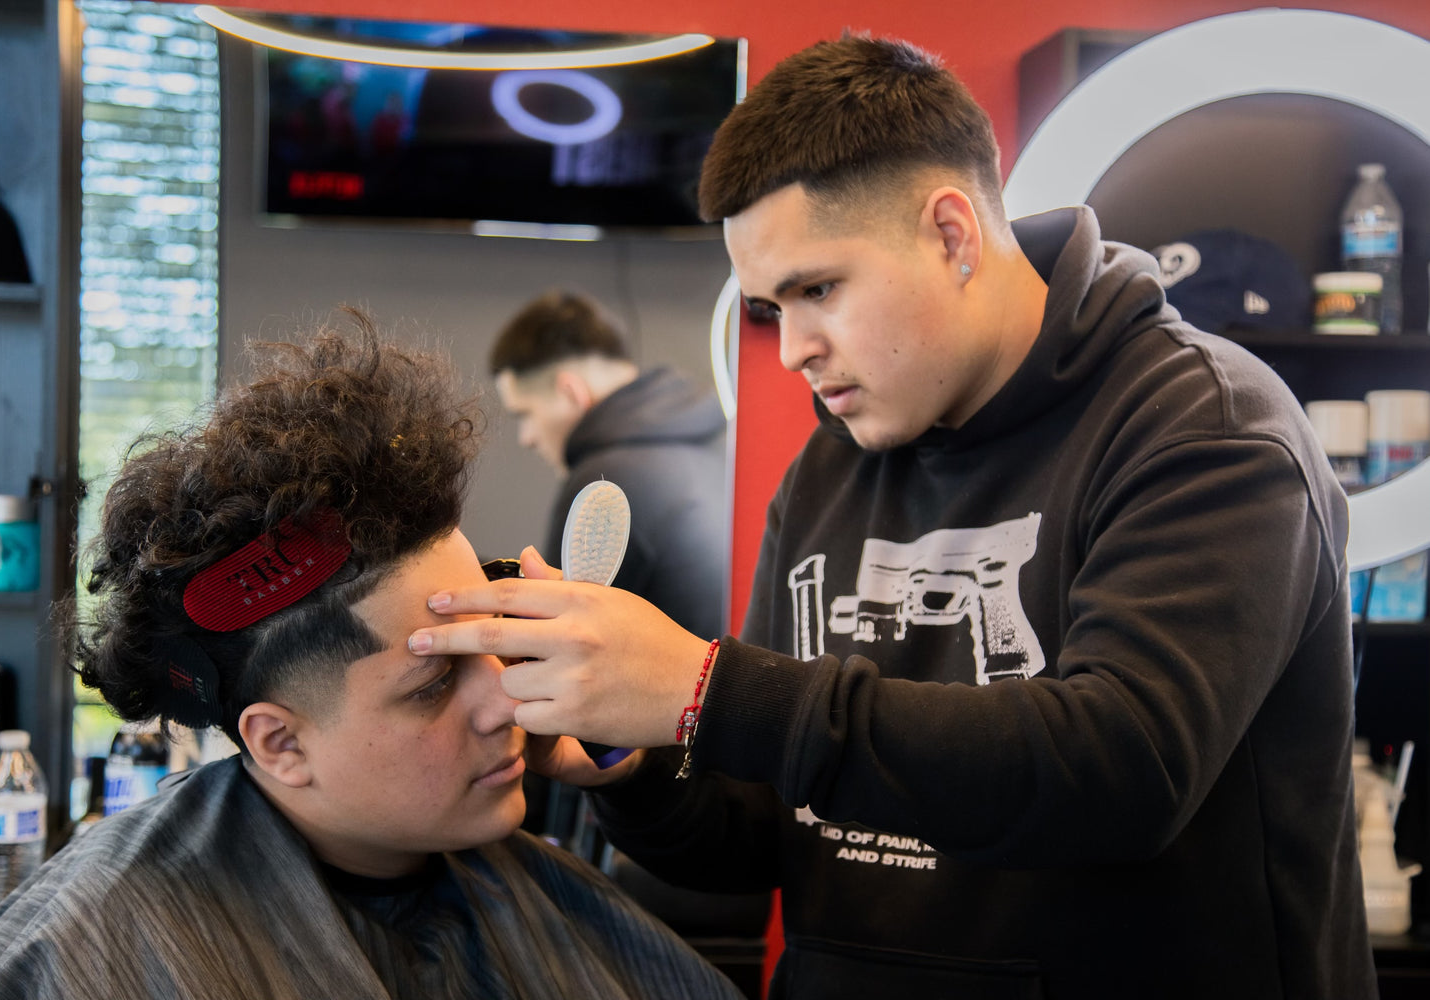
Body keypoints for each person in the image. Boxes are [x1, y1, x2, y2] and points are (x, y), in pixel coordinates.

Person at [409, 35, 1377, 1000]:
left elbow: (1118, 770)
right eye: (768, 307)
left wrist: (708, 686)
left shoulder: (1207, 428)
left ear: (951, 234)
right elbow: (760, 822)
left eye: (817, 290)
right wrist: (624, 752)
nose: (791, 348)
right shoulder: (831, 470)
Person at [0, 314, 741, 1000]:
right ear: (280, 743)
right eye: (432, 683)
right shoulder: (99, 946)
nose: (506, 699)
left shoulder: (538, 895)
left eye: (492, 632)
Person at [489, 288, 728, 640]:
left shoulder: (602, 484)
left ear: (570, 392)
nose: (526, 437)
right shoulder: (717, 445)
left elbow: (564, 647)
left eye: (525, 414)